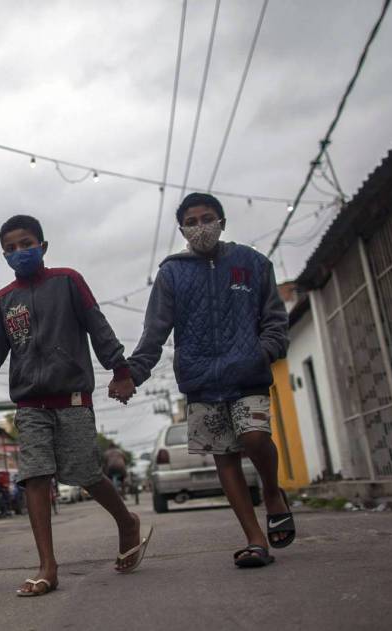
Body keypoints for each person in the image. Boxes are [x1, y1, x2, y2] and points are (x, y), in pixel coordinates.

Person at [0, 214, 152, 597]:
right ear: (4, 255)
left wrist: (121, 370)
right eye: (10, 248)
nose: (19, 252)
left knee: (85, 474)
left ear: (42, 247)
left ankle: (126, 522)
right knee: (35, 477)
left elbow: (98, 326)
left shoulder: (68, 281)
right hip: (29, 405)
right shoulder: (3, 300)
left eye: (26, 244)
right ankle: (48, 565)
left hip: (73, 398)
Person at [127, 193, 294, 568]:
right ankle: (254, 539)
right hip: (201, 380)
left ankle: (271, 491)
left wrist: (264, 351)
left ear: (222, 221)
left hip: (248, 373)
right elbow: (154, 331)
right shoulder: (172, 273)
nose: (200, 227)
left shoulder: (252, 263)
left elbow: (274, 317)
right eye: (191, 221)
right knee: (226, 458)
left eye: (207, 218)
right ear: (182, 230)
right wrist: (133, 373)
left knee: (254, 437)